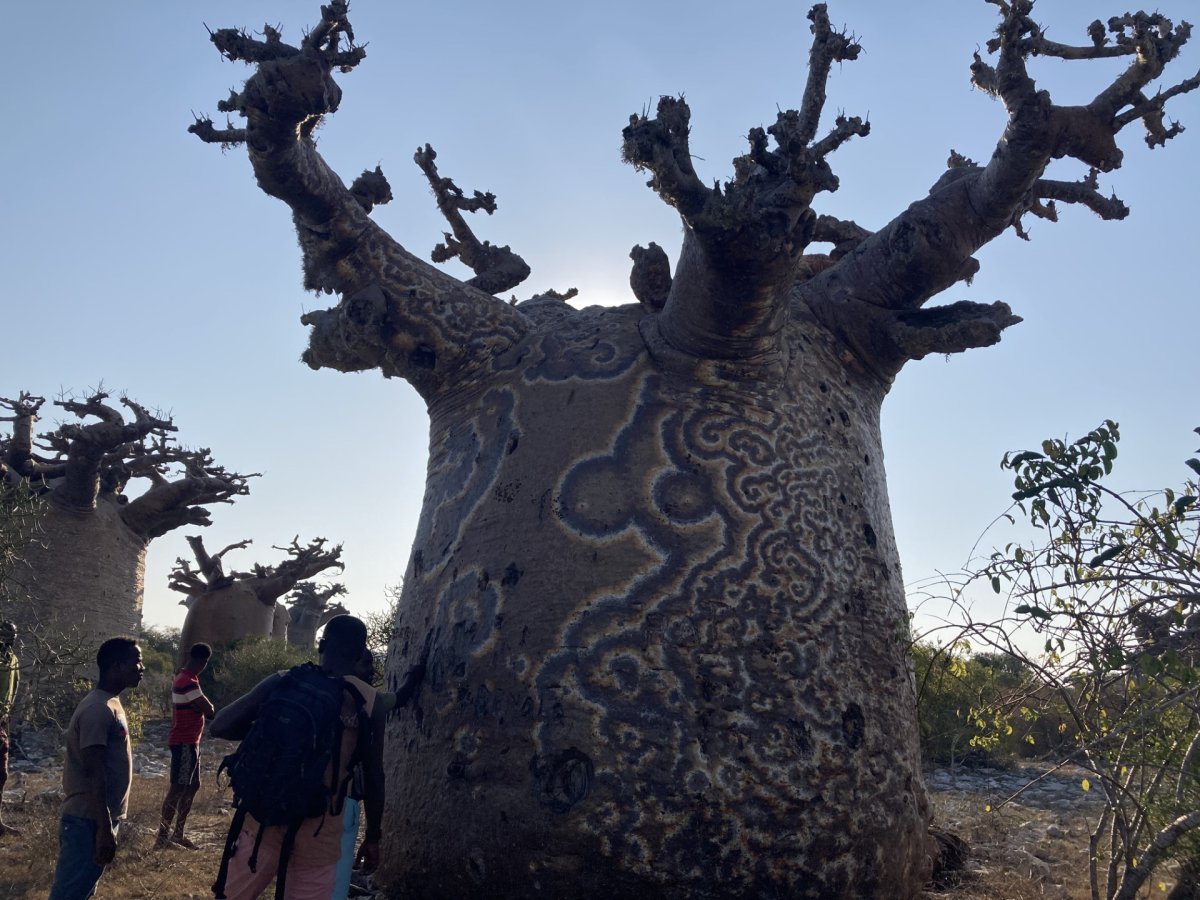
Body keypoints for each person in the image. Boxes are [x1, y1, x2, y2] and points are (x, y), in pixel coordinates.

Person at [211, 616, 386, 900]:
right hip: (320, 830)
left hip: (264, 820)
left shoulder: (285, 680)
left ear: (322, 644)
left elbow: (219, 726)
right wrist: (374, 836)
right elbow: (375, 776)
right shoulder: (370, 702)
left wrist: (267, 727)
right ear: (359, 653)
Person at [47, 636, 144, 900]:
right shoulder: (97, 709)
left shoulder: (111, 703)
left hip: (97, 819)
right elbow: (93, 771)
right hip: (87, 820)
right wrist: (103, 828)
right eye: (137, 661)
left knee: (82, 891)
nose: (142, 667)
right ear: (116, 665)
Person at [155, 641, 216, 850]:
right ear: (204, 662)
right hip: (185, 741)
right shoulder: (188, 681)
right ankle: (163, 837)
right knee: (178, 788)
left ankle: (177, 834)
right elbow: (208, 709)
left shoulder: (186, 679)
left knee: (192, 785)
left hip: (190, 742)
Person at [0, 620, 20, 837]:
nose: (9, 638)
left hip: (2, 724)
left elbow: (13, 691)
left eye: (12, 635)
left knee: (1, 774)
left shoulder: (13, 660)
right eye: (6, 633)